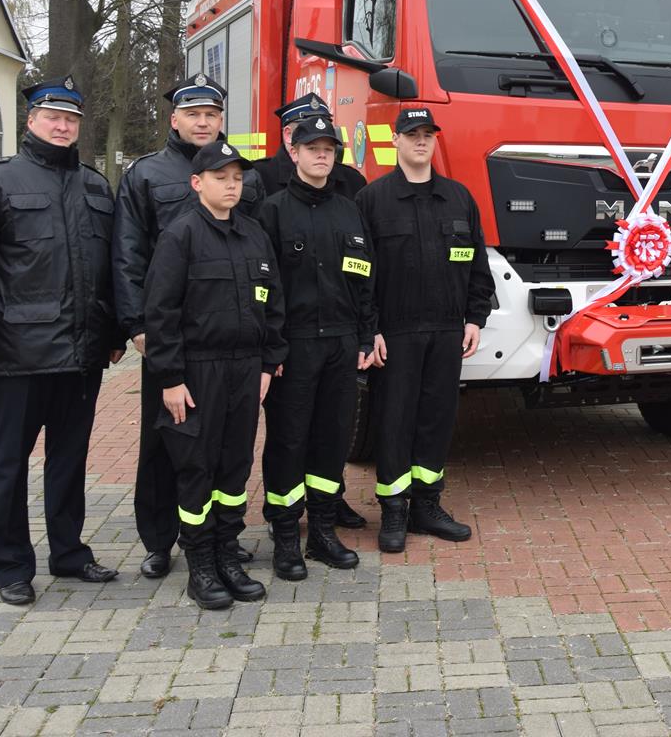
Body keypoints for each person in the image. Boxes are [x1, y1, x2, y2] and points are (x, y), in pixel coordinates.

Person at [0, 77, 124, 605]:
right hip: (16, 354)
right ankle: (10, 566)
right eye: (53, 116)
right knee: (8, 463)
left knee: (69, 460)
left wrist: (113, 333)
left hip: (82, 355)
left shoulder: (95, 186)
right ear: (31, 121)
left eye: (71, 118)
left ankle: (68, 553)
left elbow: (111, 268)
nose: (63, 125)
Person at [114, 74, 263, 578]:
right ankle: (159, 540)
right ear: (174, 119)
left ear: (222, 119)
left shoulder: (246, 175)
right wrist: (137, 325)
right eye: (193, 114)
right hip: (170, 338)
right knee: (164, 443)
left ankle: (219, 539)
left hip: (227, 342)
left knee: (221, 446)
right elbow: (128, 254)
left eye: (212, 114)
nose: (203, 122)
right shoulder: (146, 175)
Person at [143, 140, 286, 608]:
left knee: (234, 466)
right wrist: (170, 378)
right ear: (197, 183)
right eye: (221, 177)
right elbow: (160, 313)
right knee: (196, 469)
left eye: (237, 178)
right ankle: (200, 564)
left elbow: (273, 305)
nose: (231, 185)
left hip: (246, 370)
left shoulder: (254, 235)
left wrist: (268, 363)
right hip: (197, 373)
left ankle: (228, 554)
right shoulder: (181, 235)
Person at [355, 107, 495, 553]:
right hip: (394, 334)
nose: (421, 142)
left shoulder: (458, 198)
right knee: (394, 420)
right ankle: (394, 509)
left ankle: (427, 506)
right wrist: (369, 328)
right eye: (412, 134)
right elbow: (359, 273)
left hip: (446, 331)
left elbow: (477, 263)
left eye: (428, 135)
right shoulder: (372, 200)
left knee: (437, 419)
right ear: (394, 141)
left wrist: (475, 318)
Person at [255, 116, 382, 579]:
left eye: (329, 147)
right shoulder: (271, 211)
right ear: (295, 152)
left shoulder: (350, 210)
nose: (322, 155)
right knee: (289, 442)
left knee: (332, 441)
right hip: (295, 349)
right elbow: (262, 288)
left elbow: (365, 278)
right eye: (312, 147)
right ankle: (286, 536)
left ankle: (324, 531)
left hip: (342, 345)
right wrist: (273, 348)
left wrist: (366, 337)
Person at [252, 92, 368, 199]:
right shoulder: (258, 177)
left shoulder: (352, 181)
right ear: (288, 134)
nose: (317, 132)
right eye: (307, 129)